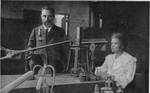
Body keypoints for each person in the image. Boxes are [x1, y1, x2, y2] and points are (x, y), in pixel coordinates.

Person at [26, 6, 67, 73]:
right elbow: (30, 46)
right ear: (41, 17)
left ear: (53, 17)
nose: (47, 19)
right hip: (38, 65)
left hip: (55, 66)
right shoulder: (35, 30)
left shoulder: (60, 31)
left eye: (50, 16)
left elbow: (65, 50)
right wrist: (32, 52)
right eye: (44, 16)